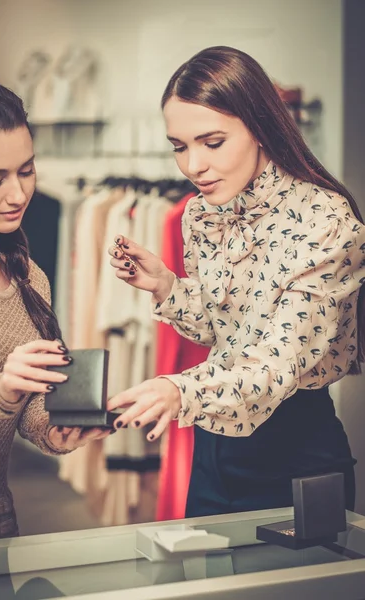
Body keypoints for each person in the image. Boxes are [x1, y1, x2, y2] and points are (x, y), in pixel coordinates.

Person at [107, 46, 365, 517]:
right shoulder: (202, 213)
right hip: (215, 447)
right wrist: (167, 285)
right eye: (179, 146)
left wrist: (179, 390)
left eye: (212, 142)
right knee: (207, 587)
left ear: (260, 127)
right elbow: (221, 330)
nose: (192, 166)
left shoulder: (325, 220)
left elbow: (274, 365)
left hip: (296, 456)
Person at [0, 74, 110, 544]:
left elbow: (25, 405)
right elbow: (0, 393)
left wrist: (51, 429)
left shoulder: (29, 276)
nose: (17, 194)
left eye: (27, 170)